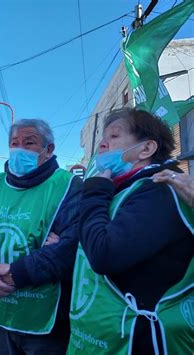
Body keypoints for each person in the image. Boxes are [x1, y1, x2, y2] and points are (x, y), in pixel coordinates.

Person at [67, 108, 193, 354]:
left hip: (141, 340)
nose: (102, 144)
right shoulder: (122, 188)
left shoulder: (160, 188)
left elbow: (104, 254)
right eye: (103, 137)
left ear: (146, 149)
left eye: (114, 136)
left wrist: (95, 192)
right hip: (104, 337)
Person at [0, 119, 82, 354]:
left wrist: (16, 274)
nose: (19, 149)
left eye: (29, 143)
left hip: (47, 323)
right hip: (1, 313)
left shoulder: (67, 186)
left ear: (49, 150)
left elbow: (69, 247)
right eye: (14, 143)